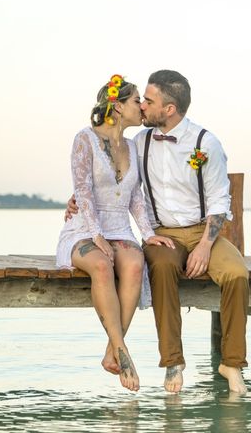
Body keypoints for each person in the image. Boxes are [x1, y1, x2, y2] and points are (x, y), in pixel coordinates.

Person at [69, 70, 249, 394]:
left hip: (203, 231)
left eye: (148, 102)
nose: (142, 107)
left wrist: (206, 246)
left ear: (168, 109)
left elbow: (221, 201)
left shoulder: (205, 143)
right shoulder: (138, 142)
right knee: (162, 268)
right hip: (162, 233)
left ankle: (232, 363)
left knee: (237, 273)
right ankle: (172, 363)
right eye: (141, 100)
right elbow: (111, 180)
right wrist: (76, 201)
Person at [56, 74, 174, 392]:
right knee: (101, 264)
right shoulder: (85, 139)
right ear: (118, 107)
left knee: (136, 264)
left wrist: (147, 233)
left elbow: (136, 198)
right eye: (137, 101)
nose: (142, 107)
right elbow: (83, 191)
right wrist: (95, 235)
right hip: (84, 227)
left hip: (119, 226)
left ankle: (111, 350)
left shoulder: (133, 146)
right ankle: (122, 350)